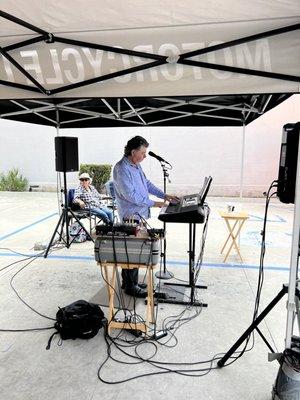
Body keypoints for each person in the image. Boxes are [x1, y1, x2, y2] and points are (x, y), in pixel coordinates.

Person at [113, 136, 178, 298]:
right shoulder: (122, 169)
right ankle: (130, 286)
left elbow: (146, 184)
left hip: (139, 214)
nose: (145, 156)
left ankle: (130, 282)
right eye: (143, 153)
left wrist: (165, 195)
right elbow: (131, 195)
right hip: (130, 215)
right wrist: (154, 203)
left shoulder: (136, 166)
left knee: (134, 250)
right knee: (131, 251)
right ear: (133, 152)